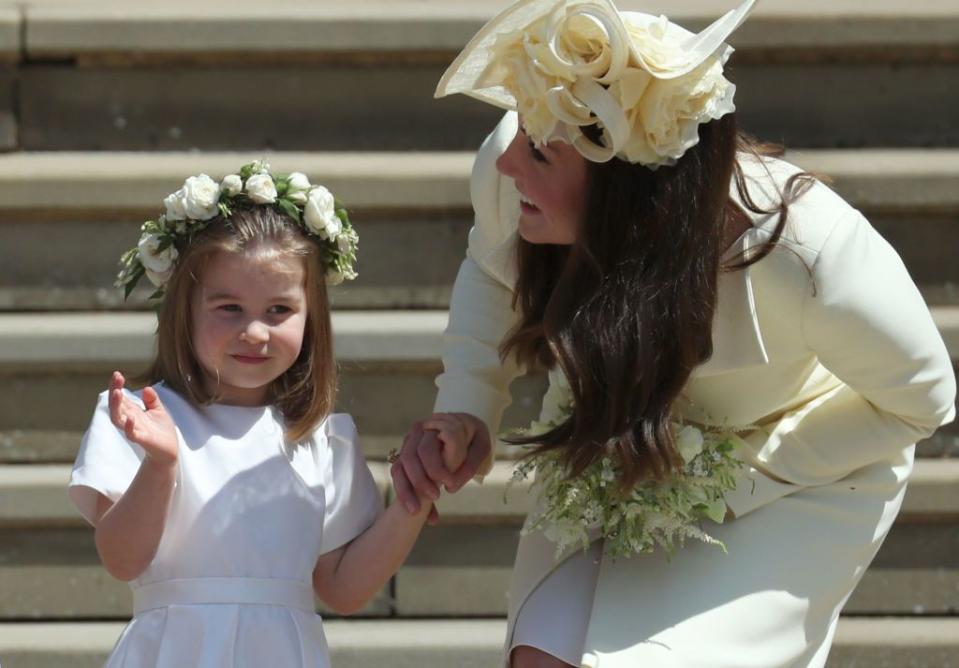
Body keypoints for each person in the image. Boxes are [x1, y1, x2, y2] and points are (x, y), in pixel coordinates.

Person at [392, 0, 958, 666]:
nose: (509, 163)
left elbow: (921, 402)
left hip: (796, 474)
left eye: (539, 153)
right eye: (520, 132)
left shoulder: (806, 254)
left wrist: (727, 478)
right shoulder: (510, 173)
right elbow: (492, 273)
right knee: (542, 656)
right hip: (614, 430)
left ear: (627, 189)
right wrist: (466, 405)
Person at [68, 162, 463, 667]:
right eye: (229, 308)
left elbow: (343, 587)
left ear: (311, 315)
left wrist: (416, 491)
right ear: (183, 309)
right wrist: (161, 465)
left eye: (278, 311)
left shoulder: (322, 438)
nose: (255, 332)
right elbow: (122, 560)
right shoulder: (141, 419)